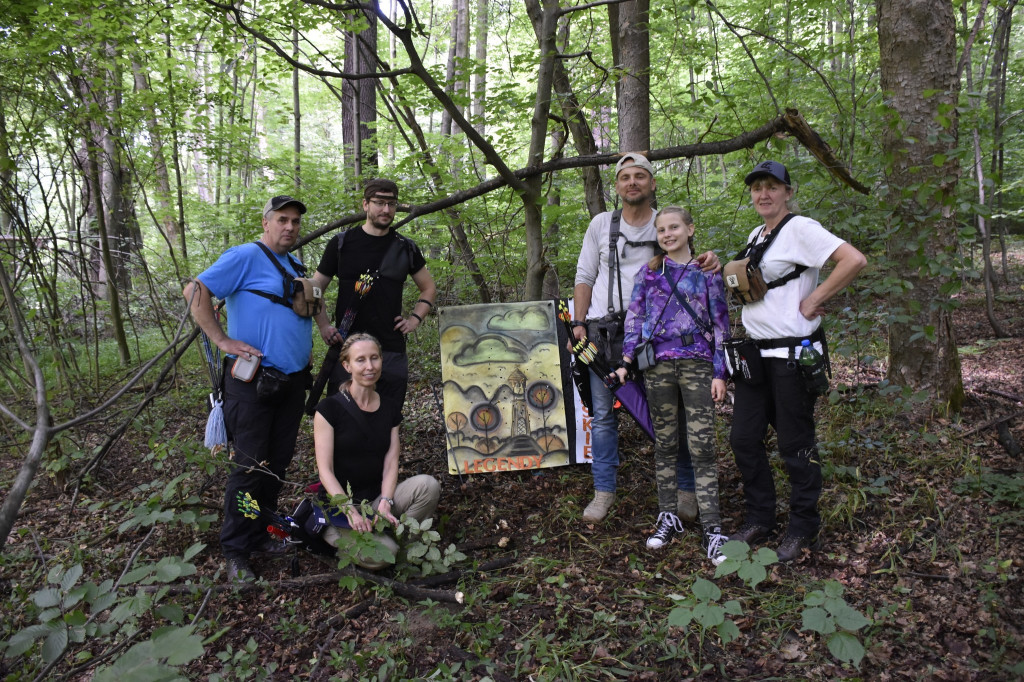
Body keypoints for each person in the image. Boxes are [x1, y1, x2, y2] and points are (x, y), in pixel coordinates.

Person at [728, 160, 867, 562]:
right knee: (743, 439)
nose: (763, 194)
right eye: (757, 188)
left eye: (772, 186)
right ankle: (760, 517)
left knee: (795, 443)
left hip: (791, 357)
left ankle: (803, 525)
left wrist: (816, 299)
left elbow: (853, 260)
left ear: (788, 192)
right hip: (756, 356)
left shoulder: (801, 229)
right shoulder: (758, 234)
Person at [572, 152, 719, 524]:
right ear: (617, 185)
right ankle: (603, 492)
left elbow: (696, 264)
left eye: (640, 176)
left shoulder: (665, 224)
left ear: (652, 183)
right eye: (625, 177)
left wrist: (715, 261)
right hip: (605, 336)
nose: (632, 182)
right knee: (603, 416)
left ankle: (686, 490)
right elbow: (584, 276)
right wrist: (578, 324)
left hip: (659, 339)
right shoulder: (601, 225)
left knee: (673, 413)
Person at [184, 195, 314, 583]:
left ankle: (261, 533)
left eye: (295, 221)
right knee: (248, 468)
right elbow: (195, 291)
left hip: (291, 384)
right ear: (266, 222)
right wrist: (222, 340)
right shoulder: (245, 256)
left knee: (275, 464)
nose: (289, 227)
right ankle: (236, 550)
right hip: (253, 383)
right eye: (282, 220)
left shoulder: (296, 265)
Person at [614, 207, 730, 564]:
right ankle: (667, 516)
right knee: (665, 443)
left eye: (674, 227)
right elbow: (635, 318)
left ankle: (712, 527)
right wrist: (626, 362)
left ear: (689, 229)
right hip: (658, 367)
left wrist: (719, 372)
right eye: (662, 229)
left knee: (702, 445)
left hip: (697, 364)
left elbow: (721, 322)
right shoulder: (649, 274)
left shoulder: (708, 271)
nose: (667, 234)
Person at [313, 333, 441, 569]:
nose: (369, 366)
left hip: (373, 502)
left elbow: (391, 461)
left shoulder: (390, 407)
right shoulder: (329, 409)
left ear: (382, 360)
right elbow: (325, 471)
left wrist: (385, 500)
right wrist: (350, 511)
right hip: (341, 510)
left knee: (428, 485)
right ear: (347, 366)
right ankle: (343, 540)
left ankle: (393, 544)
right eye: (360, 360)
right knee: (385, 555)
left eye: (374, 358)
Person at [312, 179, 436, 410]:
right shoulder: (341, 244)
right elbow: (315, 287)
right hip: (348, 349)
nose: (386, 210)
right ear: (365, 204)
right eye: (379, 203)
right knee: (344, 418)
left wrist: (414, 319)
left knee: (388, 418)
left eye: (391, 204)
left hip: (390, 350)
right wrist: (323, 326)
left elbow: (428, 287)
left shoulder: (405, 247)